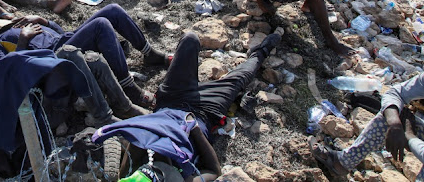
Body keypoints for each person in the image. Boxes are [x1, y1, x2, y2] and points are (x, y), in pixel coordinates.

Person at [93, 30, 283, 182]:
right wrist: (194, 129)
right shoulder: (181, 177)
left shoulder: (130, 174)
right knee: (240, 78)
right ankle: (263, 49)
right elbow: (214, 171)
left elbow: (138, 137)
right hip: (203, 113)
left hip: (171, 100)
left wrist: (147, 131)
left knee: (190, 39)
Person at [312, 27, 424, 181]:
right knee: (392, 113)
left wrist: (408, 136)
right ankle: (342, 162)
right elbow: (395, 93)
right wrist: (395, 124)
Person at [0, 4, 168, 108]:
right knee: (101, 24)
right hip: (52, 61)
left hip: (65, 41)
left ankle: (149, 53)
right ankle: (128, 88)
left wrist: (43, 20)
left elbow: (61, 33)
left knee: (113, 10)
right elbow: (12, 72)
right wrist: (22, 41)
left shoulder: (19, 24)